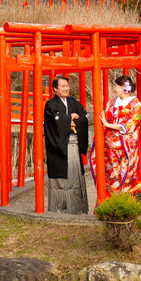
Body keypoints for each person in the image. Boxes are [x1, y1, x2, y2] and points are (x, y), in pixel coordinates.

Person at [43, 75, 90, 214]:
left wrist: (68, 121)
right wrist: (70, 118)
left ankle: (78, 208)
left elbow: (84, 117)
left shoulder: (73, 102)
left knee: (75, 176)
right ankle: (60, 209)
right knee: (60, 179)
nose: (66, 88)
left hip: (74, 143)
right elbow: (53, 122)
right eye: (63, 86)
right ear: (55, 89)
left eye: (67, 86)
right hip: (58, 147)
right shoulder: (51, 104)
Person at [92, 74, 141, 197]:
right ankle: (111, 205)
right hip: (110, 147)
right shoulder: (111, 102)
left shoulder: (136, 105)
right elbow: (104, 116)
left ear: (124, 88)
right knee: (111, 177)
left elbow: (130, 126)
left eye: (116, 86)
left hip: (126, 148)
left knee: (127, 177)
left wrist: (107, 124)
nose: (114, 89)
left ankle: (125, 207)